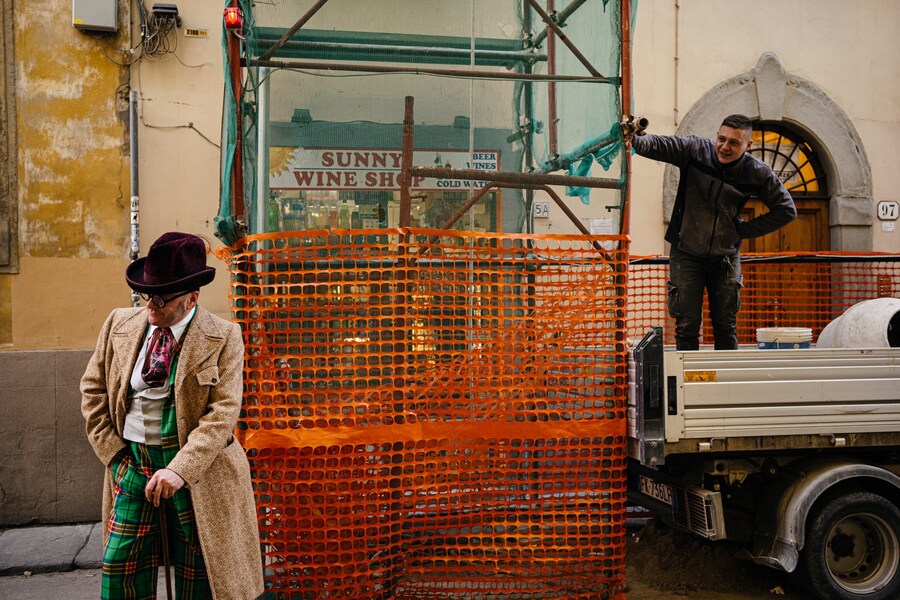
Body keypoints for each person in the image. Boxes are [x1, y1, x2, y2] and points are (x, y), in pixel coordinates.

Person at [81, 232, 264, 599]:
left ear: (192, 298)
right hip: (131, 465)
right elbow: (92, 390)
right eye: (147, 293)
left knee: (201, 574)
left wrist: (180, 470)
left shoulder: (225, 336)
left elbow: (222, 413)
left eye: (162, 298)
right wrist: (115, 457)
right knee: (120, 568)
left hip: (200, 474)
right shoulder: (119, 323)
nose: (151, 304)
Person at [630, 114, 797, 350]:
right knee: (686, 326)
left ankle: (725, 385)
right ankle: (687, 385)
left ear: (748, 145)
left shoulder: (757, 172)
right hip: (686, 253)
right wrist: (632, 139)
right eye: (721, 139)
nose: (724, 147)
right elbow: (659, 145)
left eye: (734, 143)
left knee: (726, 327)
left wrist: (743, 230)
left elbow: (786, 210)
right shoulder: (696, 150)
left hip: (725, 258)